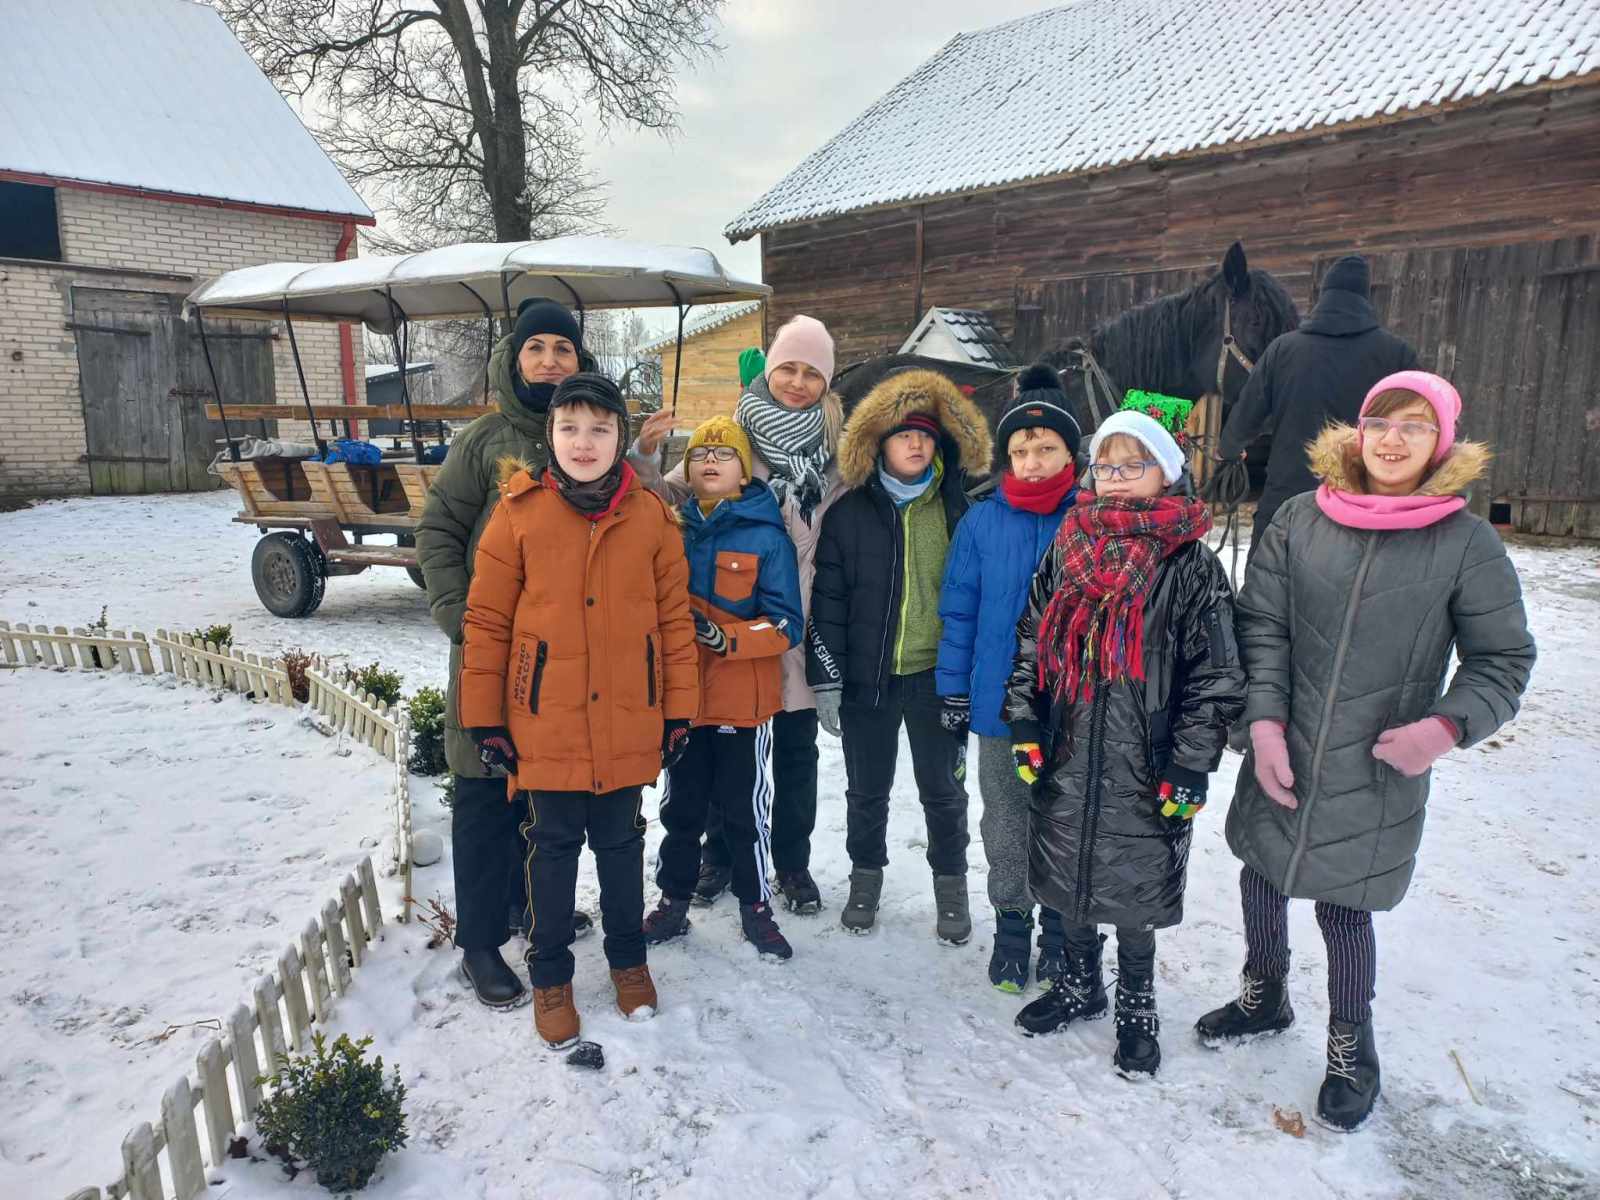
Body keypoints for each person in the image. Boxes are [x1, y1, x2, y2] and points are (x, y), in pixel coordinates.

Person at [1197, 370, 1534, 1130]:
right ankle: (1264, 995)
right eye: (1381, 421)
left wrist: (1444, 728)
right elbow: (1261, 626)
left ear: (1441, 442)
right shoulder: (1299, 518)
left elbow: (1502, 659)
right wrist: (1262, 723)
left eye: (1415, 426)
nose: (1392, 439)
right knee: (1262, 874)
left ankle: (1352, 1045)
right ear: (1358, 431)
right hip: (1284, 743)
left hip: (1376, 766)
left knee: (1347, 910)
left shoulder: (1466, 544)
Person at [457, 373, 699, 1049]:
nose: (584, 442)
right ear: (551, 435)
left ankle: (628, 962)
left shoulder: (650, 517)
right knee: (553, 849)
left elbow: (674, 622)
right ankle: (551, 975)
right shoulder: (518, 514)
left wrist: (679, 710)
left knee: (622, 846)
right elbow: (487, 623)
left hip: (628, 716)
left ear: (621, 438)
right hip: (547, 720)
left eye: (599, 429)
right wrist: (486, 719)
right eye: (570, 428)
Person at [1003, 411, 1245, 1078]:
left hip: (1148, 759)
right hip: (1069, 747)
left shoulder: (1189, 564)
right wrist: (1024, 721)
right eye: (1105, 465)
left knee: (1135, 886)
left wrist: (1191, 762)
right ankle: (1079, 982)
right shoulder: (1068, 547)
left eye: (1132, 465)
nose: (1115, 478)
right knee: (1069, 873)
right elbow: (1032, 642)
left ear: (1166, 474)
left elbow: (1217, 675)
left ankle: (1137, 1003)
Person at [632, 315, 845, 914]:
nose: (797, 383)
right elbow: (664, 496)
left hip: (797, 628)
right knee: (725, 750)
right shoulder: (732, 441)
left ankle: (792, 864)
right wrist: (645, 455)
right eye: (787, 369)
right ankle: (720, 856)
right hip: (725, 628)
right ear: (768, 371)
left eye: (811, 373)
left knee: (796, 755)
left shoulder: (837, 458)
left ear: (826, 383)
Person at [414, 299, 594, 1010]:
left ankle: (529, 907)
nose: (549, 361)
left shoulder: (589, 434)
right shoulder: (485, 441)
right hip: (491, 652)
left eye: (562, 349)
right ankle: (481, 942)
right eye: (535, 348)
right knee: (485, 793)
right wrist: (462, 619)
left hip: (563, 660)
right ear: (514, 359)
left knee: (542, 791)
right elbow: (438, 531)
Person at [807, 368, 992, 942]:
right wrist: (827, 678)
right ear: (878, 444)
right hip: (871, 679)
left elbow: (979, 595)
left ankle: (952, 886)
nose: (915, 444)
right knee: (867, 791)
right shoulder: (849, 513)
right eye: (903, 435)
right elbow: (829, 601)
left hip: (940, 678)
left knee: (944, 791)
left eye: (925, 436)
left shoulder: (959, 509)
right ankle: (865, 878)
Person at [936, 364, 1084, 993]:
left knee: (1067, 818)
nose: (1032, 462)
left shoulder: (1092, 520)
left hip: (1076, 708)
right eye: (1020, 451)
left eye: (1046, 448)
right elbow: (959, 613)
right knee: (1005, 820)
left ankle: (1060, 929)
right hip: (1000, 707)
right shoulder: (980, 523)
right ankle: (1012, 923)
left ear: (1070, 454)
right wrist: (953, 690)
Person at [642, 416, 805, 959]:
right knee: (681, 811)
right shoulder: (670, 529)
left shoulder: (768, 537)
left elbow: (786, 624)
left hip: (742, 705)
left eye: (725, 453)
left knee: (744, 814)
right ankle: (673, 901)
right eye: (700, 453)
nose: (711, 460)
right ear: (687, 470)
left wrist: (728, 637)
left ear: (744, 472)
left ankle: (756, 908)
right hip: (684, 701)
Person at [1218, 255, 1418, 555]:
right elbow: (1419, 425)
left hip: (1285, 507)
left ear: (1324, 295)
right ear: (1365, 297)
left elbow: (1244, 419)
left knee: (1270, 582)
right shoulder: (1397, 355)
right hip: (1361, 509)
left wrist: (1230, 450)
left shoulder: (1283, 350)